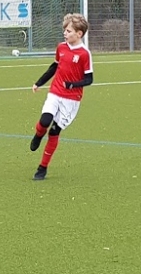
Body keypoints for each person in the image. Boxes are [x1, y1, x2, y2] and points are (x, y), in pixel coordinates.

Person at [28, 13, 93, 181]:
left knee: (54, 131)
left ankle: (42, 168)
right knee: (44, 121)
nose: (65, 33)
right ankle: (38, 135)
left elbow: (89, 79)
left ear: (79, 34)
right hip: (55, 92)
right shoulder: (61, 48)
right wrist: (39, 82)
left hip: (71, 100)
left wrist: (73, 85)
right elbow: (54, 67)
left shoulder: (84, 54)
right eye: (64, 30)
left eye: (68, 31)